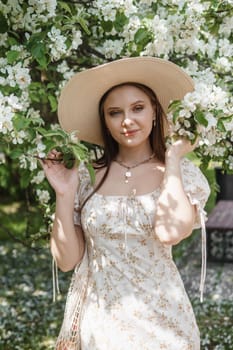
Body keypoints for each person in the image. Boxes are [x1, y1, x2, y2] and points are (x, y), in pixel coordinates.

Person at [41, 57, 210, 350]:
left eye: (138, 108)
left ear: (156, 112)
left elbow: (171, 233)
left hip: (163, 321)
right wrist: (64, 193)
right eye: (115, 113)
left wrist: (171, 160)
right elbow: (67, 261)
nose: (127, 120)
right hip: (101, 320)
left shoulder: (181, 175)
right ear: (105, 121)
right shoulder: (86, 175)